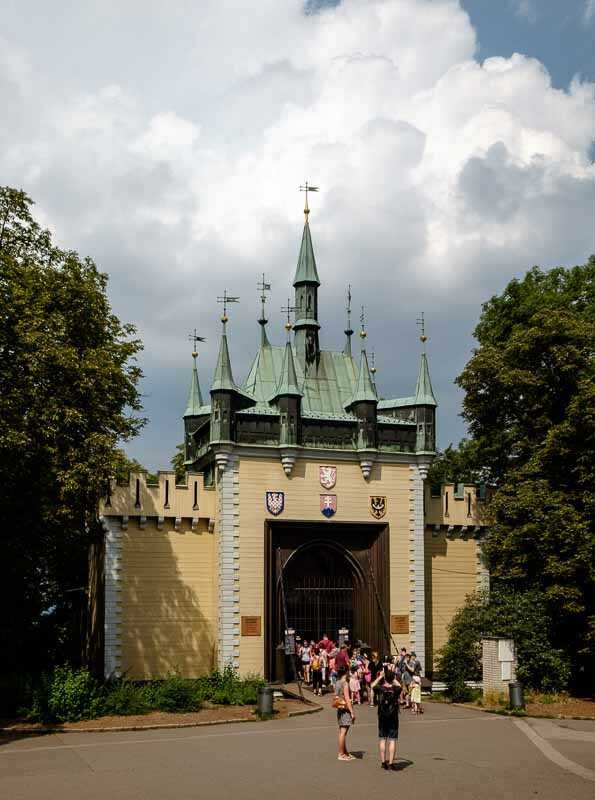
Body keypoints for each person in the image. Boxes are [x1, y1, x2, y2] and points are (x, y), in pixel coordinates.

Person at [371, 667, 402, 770]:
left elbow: (372, 686)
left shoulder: (380, 688)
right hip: (393, 716)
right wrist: (393, 678)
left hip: (382, 715)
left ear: (384, 678)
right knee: (392, 740)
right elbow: (399, 685)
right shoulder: (396, 689)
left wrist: (380, 676)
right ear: (393, 678)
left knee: (382, 738)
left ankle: (383, 762)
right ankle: (391, 762)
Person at [335, 666, 356, 761]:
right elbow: (347, 698)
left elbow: (336, 696)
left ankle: (345, 752)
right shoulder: (345, 683)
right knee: (343, 732)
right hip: (345, 709)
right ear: (346, 672)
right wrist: (352, 712)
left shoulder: (337, 682)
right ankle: (341, 753)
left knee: (342, 731)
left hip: (340, 708)